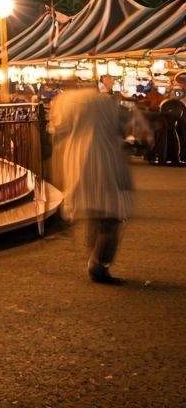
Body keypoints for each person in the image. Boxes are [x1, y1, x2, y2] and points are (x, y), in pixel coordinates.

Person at [49, 87, 134, 284]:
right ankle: (99, 264)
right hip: (105, 158)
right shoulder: (105, 104)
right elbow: (123, 128)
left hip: (75, 159)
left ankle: (96, 259)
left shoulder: (64, 103)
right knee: (110, 217)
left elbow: (56, 133)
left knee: (95, 213)